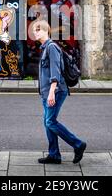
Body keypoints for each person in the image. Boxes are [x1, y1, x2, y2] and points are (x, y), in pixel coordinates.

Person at [32, 19, 86, 164]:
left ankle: (78, 144)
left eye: (37, 30)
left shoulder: (52, 47)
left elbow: (55, 71)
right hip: (46, 92)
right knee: (47, 122)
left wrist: (51, 92)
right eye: (34, 30)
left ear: (45, 30)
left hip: (55, 91)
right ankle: (54, 155)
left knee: (50, 121)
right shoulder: (44, 48)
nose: (34, 32)